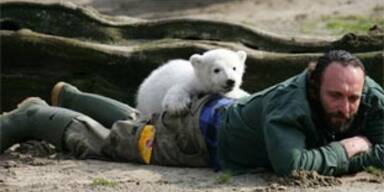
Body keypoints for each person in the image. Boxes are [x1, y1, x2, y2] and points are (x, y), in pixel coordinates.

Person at [0, 50, 383, 176]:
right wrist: (350, 148)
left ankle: (72, 96)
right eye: (336, 97)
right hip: (194, 140)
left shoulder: (358, 88)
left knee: (143, 120)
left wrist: (365, 143)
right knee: (109, 141)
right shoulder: (291, 110)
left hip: (217, 108)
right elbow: (293, 164)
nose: (347, 106)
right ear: (315, 85)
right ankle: (31, 117)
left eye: (353, 97)